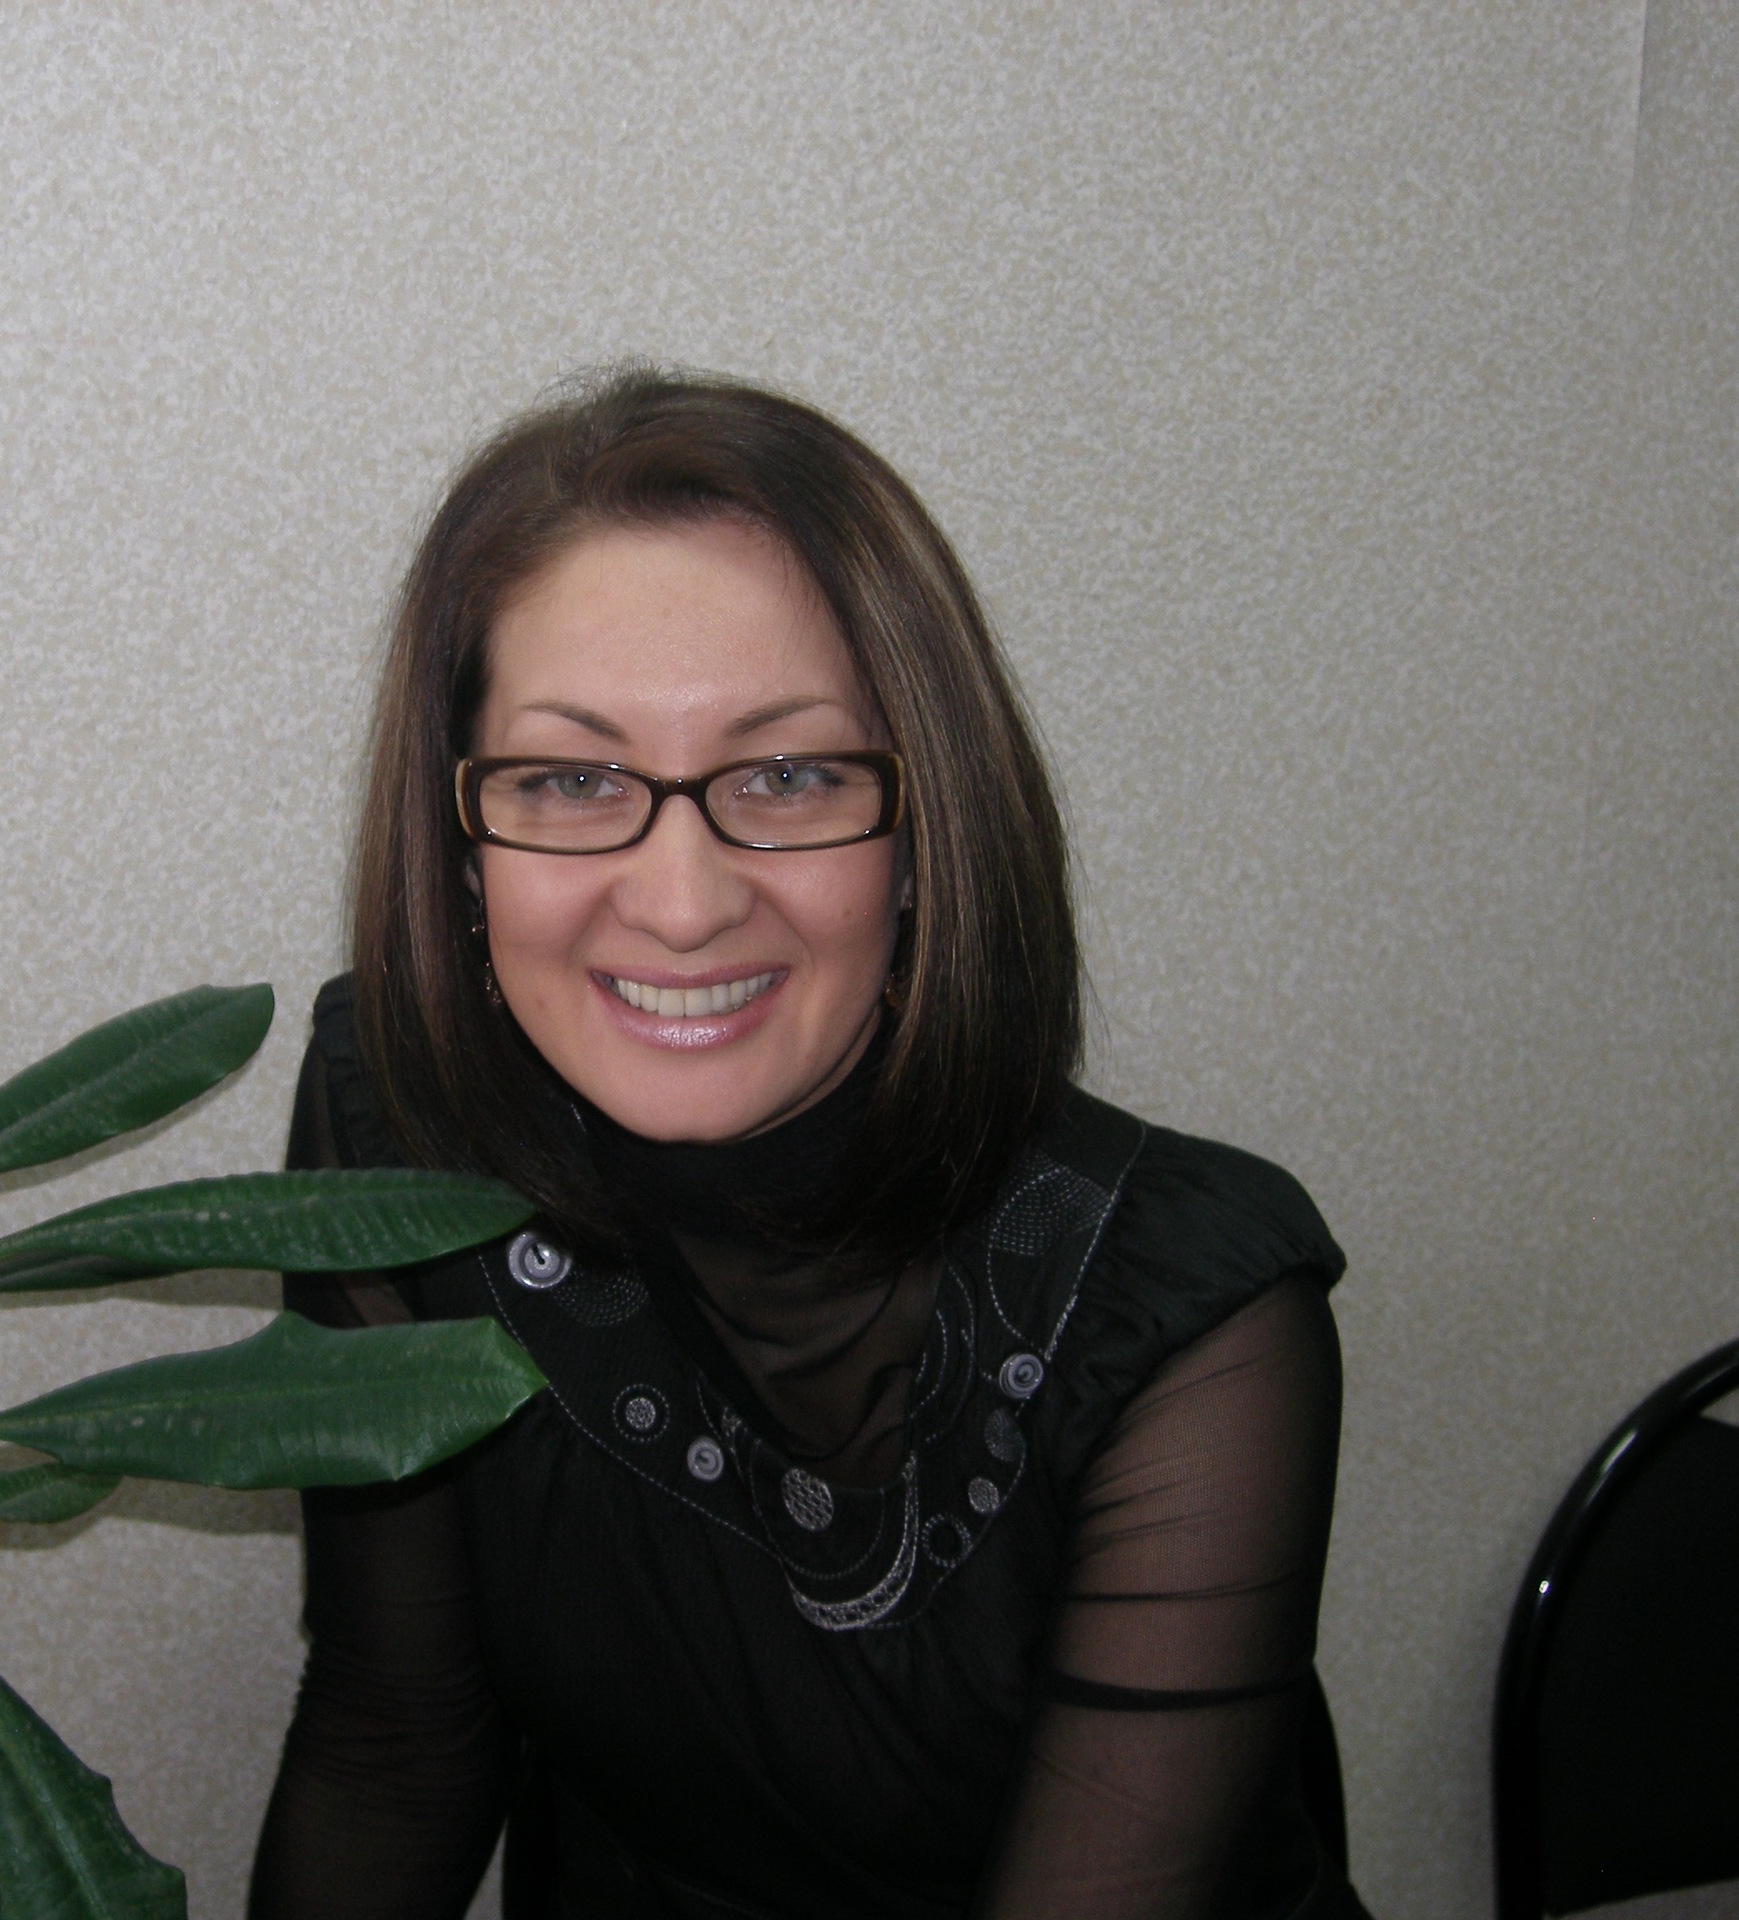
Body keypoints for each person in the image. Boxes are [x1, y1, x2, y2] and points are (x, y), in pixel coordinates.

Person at [248, 370, 1361, 1920]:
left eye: (790, 776)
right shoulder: (400, 1128)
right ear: (462, 842)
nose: (682, 903)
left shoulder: (1182, 1319)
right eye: (572, 780)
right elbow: (397, 1745)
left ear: (922, 839)